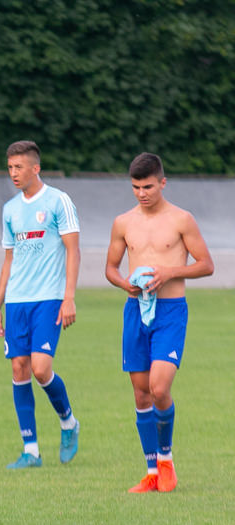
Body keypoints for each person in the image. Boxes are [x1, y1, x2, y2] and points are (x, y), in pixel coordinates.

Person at [105, 152, 213, 493]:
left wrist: (169, 271)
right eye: (136, 187)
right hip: (135, 310)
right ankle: (151, 471)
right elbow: (110, 267)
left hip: (170, 311)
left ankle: (166, 461)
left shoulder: (182, 220)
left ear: (162, 182)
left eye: (148, 186)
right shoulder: (123, 222)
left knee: (159, 388)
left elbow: (206, 264)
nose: (142, 193)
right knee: (140, 394)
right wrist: (125, 284)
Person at [0, 140, 81, 469]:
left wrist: (69, 296)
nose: (13, 173)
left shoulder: (59, 202)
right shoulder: (10, 209)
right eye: (10, 167)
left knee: (41, 368)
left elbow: (74, 250)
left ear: (35, 168)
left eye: (19, 167)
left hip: (49, 298)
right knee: (19, 369)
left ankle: (68, 422)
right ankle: (31, 451)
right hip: (16, 301)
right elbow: (8, 258)